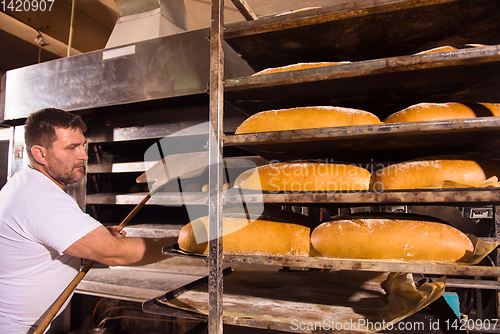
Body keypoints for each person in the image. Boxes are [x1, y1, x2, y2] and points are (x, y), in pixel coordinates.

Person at [0, 108, 173, 333]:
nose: (84, 155)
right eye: (71, 148)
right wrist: (184, 245)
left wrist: (94, 237)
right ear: (40, 154)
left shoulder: (24, 183)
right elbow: (115, 253)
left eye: (82, 145)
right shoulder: (43, 198)